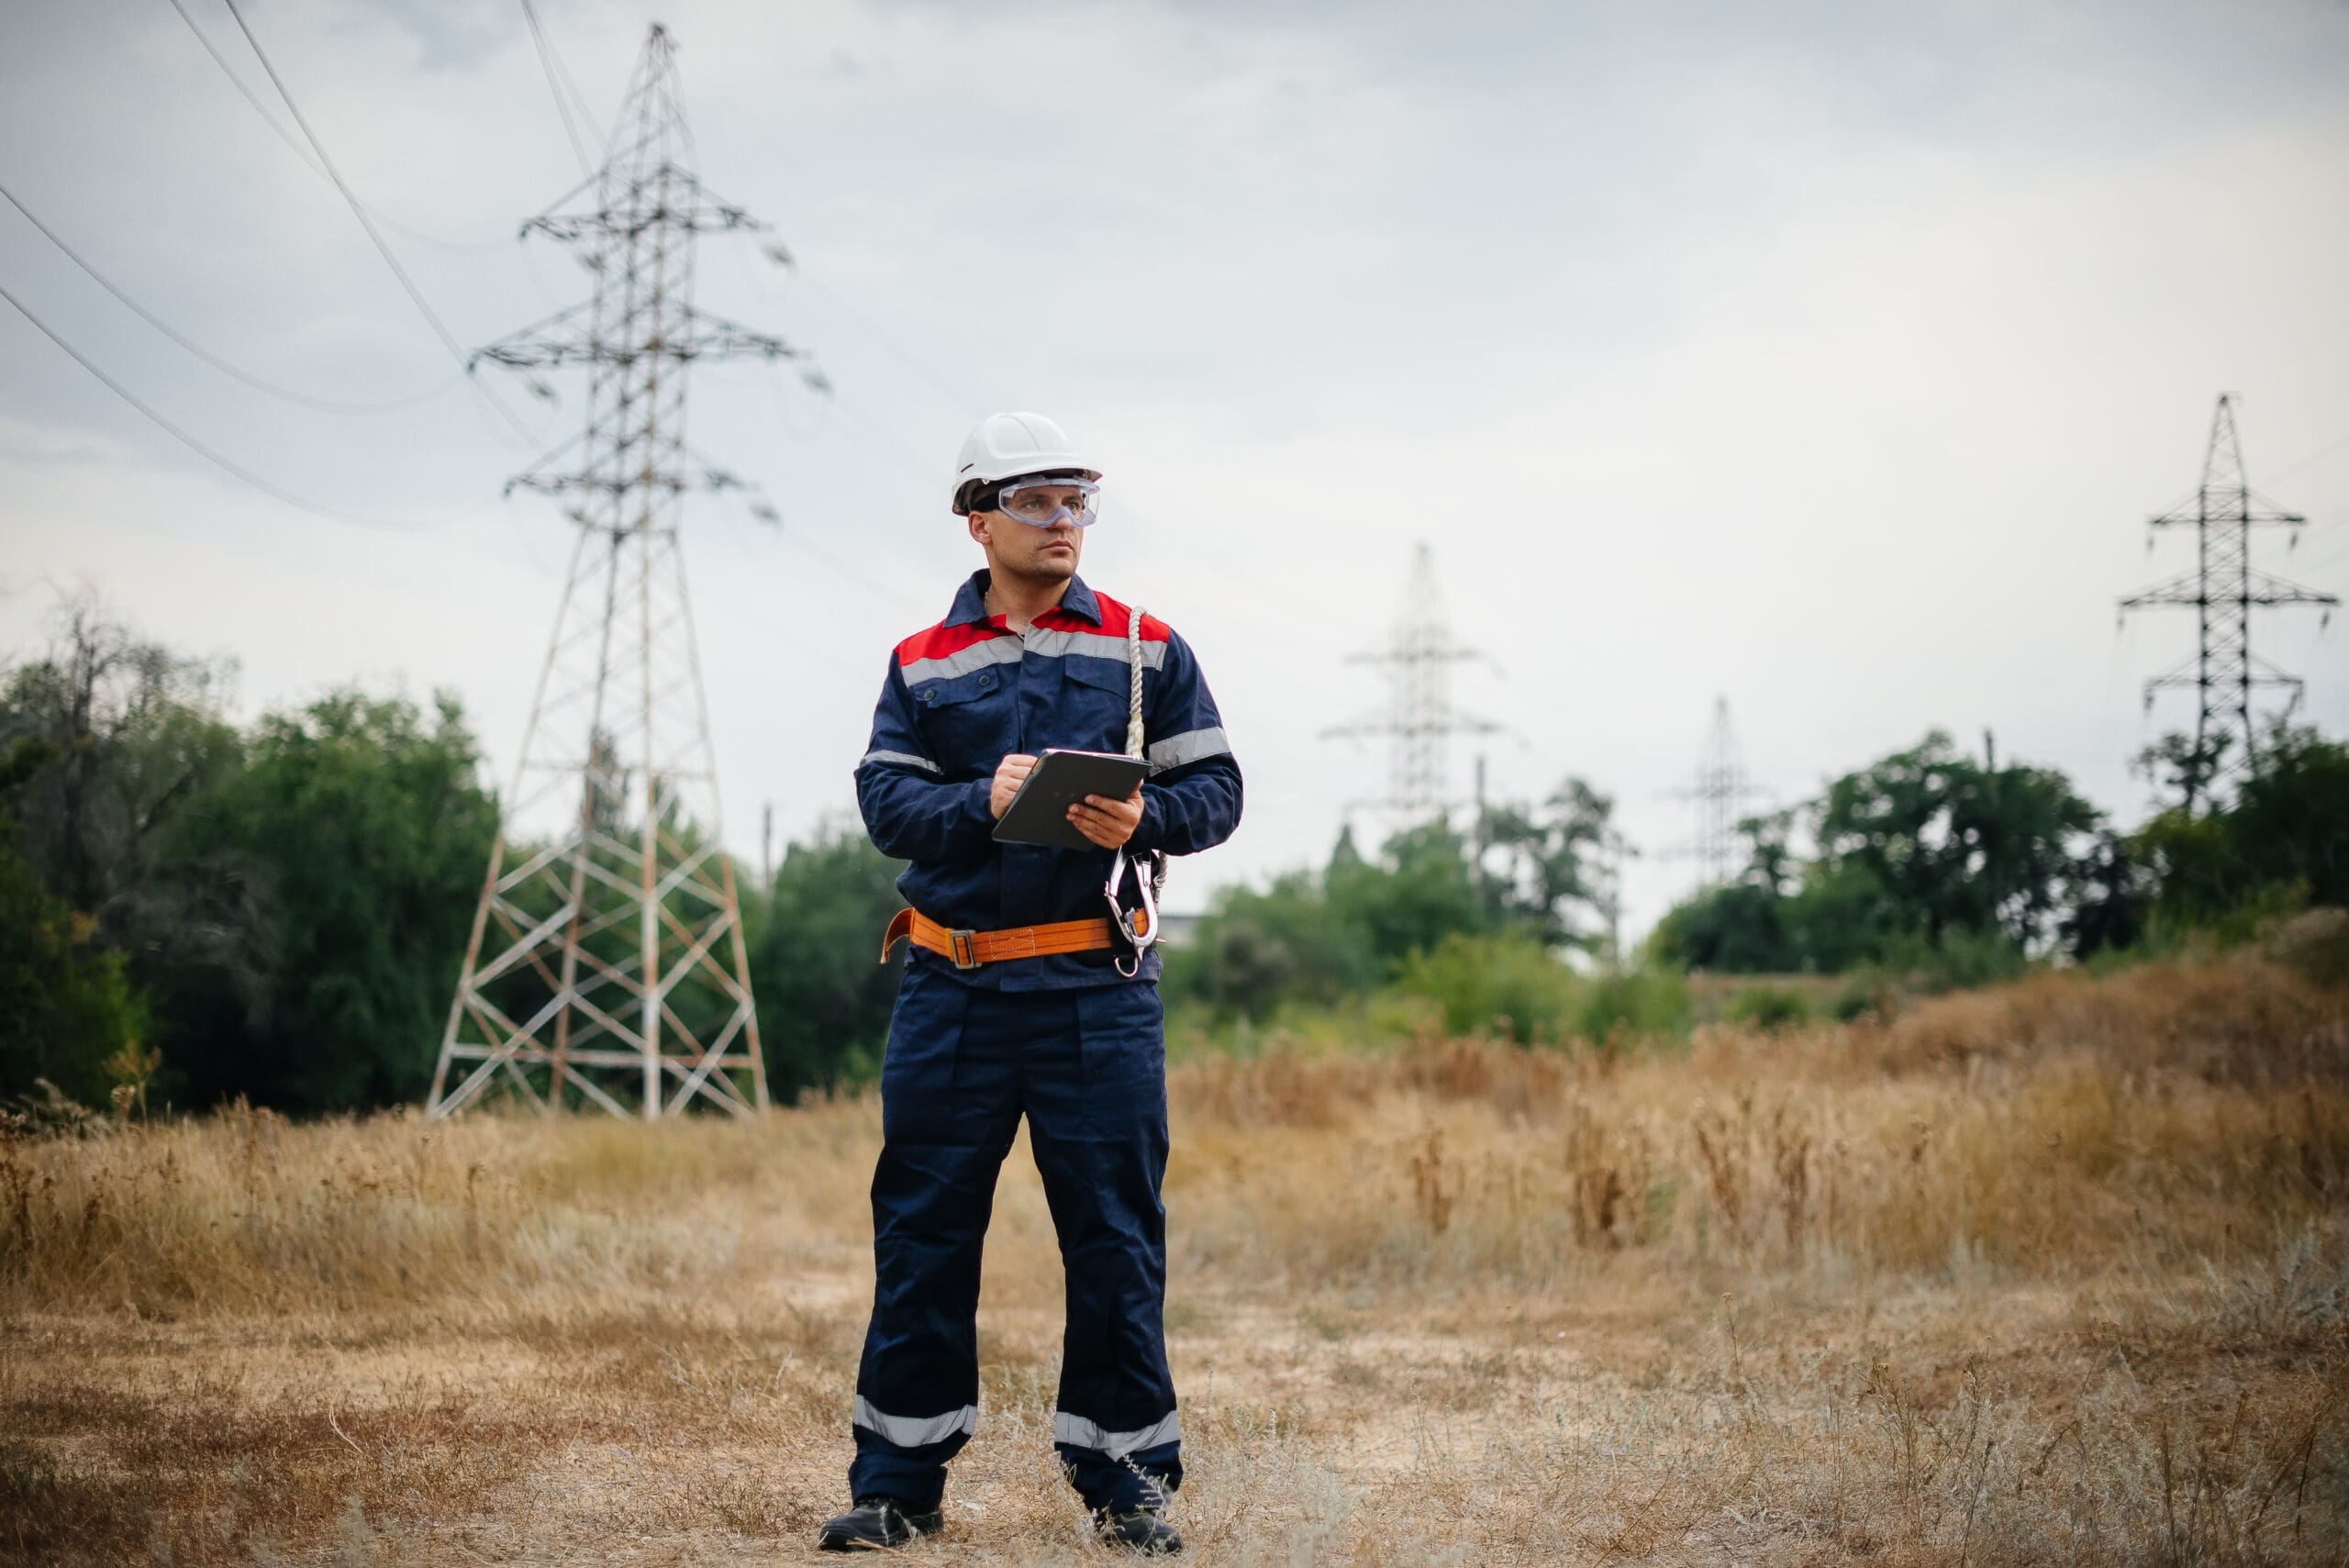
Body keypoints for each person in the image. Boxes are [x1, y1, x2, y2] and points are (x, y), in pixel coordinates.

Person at [819, 412, 1242, 1554]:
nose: (1065, 523)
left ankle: (1126, 1483)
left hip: (1096, 993)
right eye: (1039, 502)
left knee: (1113, 1233)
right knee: (922, 1229)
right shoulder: (921, 660)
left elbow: (1217, 794)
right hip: (949, 990)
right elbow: (885, 806)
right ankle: (895, 1483)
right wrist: (983, 802)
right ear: (979, 517)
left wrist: (1145, 813)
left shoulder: (1149, 645)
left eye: (1078, 503)